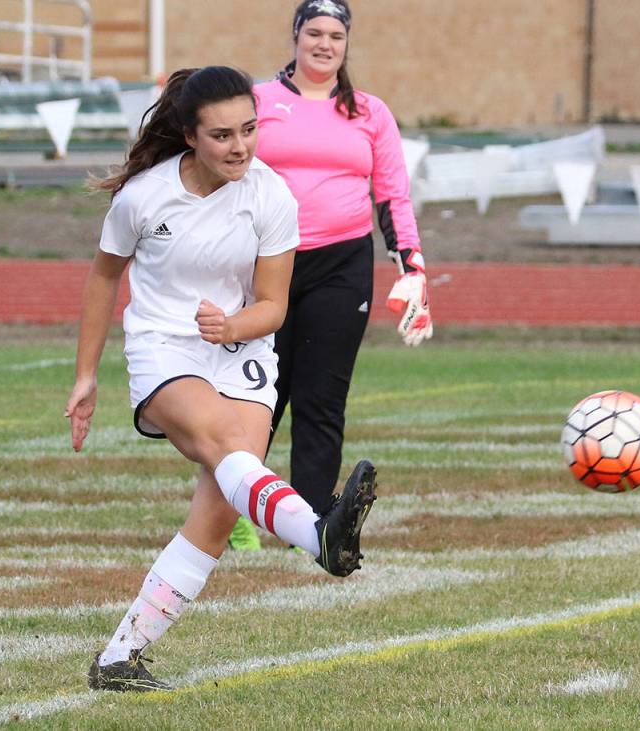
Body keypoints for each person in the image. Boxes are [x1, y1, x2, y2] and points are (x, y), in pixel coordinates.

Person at [65, 65, 377, 693]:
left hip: (241, 347)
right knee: (228, 451)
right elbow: (104, 278)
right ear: (189, 135)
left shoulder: (271, 196)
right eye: (222, 135)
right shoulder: (143, 199)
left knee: (216, 510)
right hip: (163, 347)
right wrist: (85, 376)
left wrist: (232, 326)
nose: (240, 147)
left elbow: (273, 305)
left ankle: (119, 657)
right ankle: (319, 536)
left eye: (249, 130)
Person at [226, 0, 431, 551]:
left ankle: (310, 527)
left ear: (346, 44)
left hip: (342, 265)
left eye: (335, 35)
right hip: (267, 264)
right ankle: (234, 511)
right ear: (294, 36)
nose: (323, 43)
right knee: (257, 396)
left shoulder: (370, 112)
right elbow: (225, 173)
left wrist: (411, 268)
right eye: (313, 32)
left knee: (322, 399)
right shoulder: (258, 102)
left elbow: (392, 195)